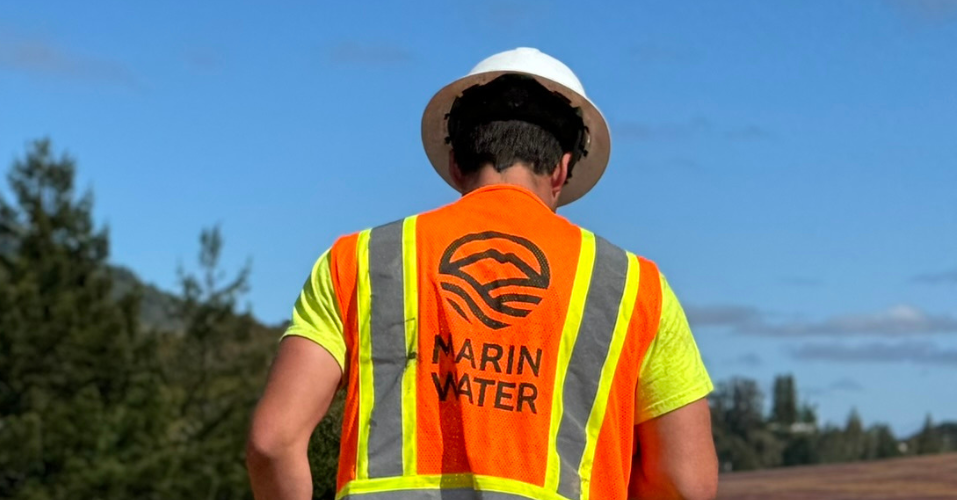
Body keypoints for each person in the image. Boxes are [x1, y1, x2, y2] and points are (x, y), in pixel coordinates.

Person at [245, 48, 718, 500]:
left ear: (456, 164)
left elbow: (273, 441)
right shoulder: (637, 288)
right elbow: (687, 483)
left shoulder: (358, 260)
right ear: (562, 170)